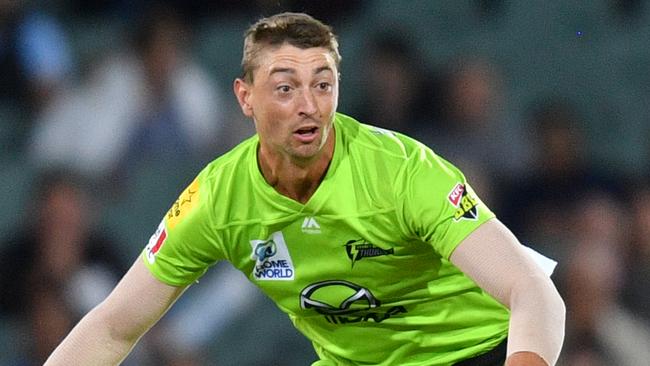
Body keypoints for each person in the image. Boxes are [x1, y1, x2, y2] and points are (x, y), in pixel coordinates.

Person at [45, 12, 565, 366]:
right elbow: (114, 327)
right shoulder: (218, 199)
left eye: (323, 83)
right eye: (286, 87)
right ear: (245, 98)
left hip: (479, 352)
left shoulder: (403, 170)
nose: (309, 105)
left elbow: (534, 291)